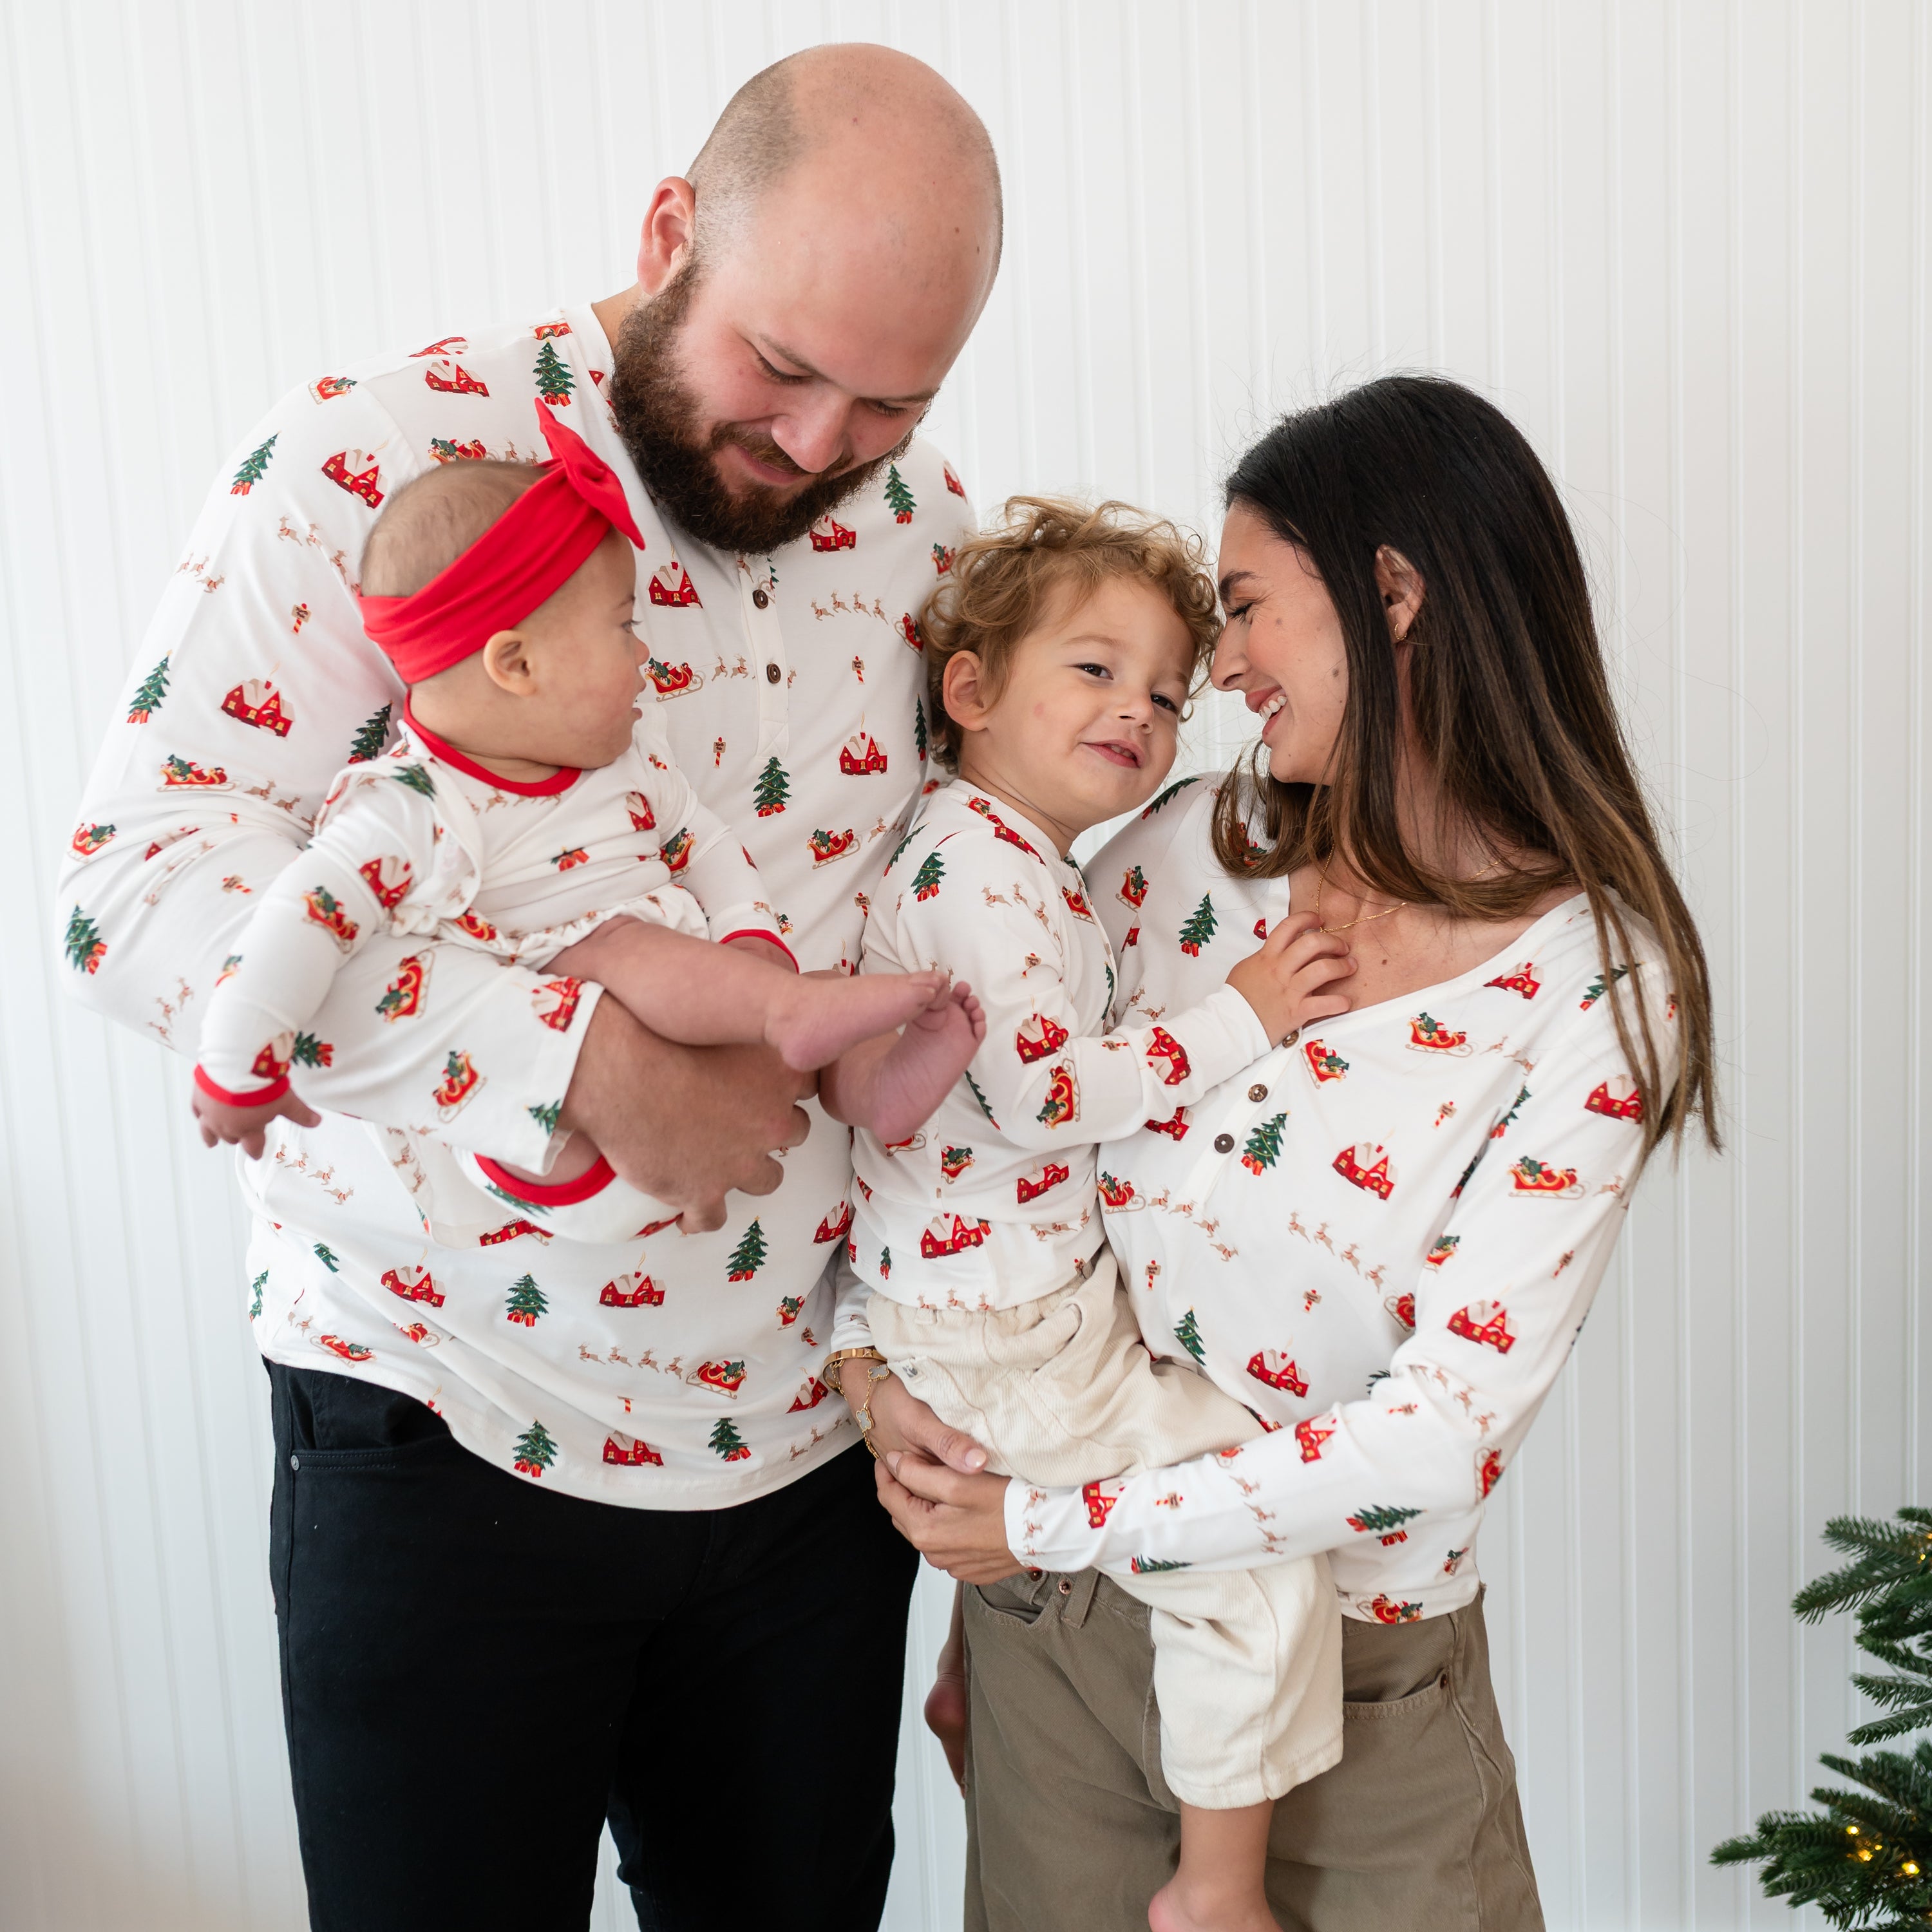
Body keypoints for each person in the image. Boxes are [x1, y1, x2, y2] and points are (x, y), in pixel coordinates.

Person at [59, 43, 1005, 1932]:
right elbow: (138, 890)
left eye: (886, 403)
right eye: (783, 369)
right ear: (669, 234)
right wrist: (569, 1063)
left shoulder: (930, 539)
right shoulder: (374, 454)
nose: (819, 449)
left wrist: (954, 1378)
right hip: (442, 1435)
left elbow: (966, 964)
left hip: (809, 1469)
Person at [873, 375, 1719, 1932]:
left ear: (1391, 592)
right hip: (1052, 1637)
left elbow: (1440, 1431)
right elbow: (998, 1182)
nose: (1222, 666)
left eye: (1249, 608)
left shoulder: (1593, 987)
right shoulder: (1180, 851)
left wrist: (1046, 1527)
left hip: (1349, 1691)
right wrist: (977, 1567)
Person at [836, 496, 1356, 1932]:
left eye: (1170, 691)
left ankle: (966, 1696)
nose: (1143, 709)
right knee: (1248, 1543)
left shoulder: (1019, 865)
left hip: (994, 1308)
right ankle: (1218, 1888)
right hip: (1003, 1327)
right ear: (971, 687)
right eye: (1096, 668)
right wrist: (1243, 1017)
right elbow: (1044, 1094)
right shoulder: (981, 869)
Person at [193, 402, 986, 1237]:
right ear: (518, 662)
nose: (645, 653)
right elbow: (291, 927)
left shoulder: (624, 760)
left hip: (704, 1059)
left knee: (806, 1020)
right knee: (620, 951)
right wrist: (236, 1068)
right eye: (623, 627)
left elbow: (704, 843)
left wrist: (754, 942)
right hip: (553, 1151)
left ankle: (881, 1089)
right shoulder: (411, 810)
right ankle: (785, 1012)